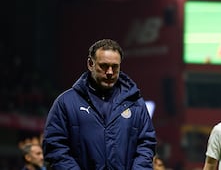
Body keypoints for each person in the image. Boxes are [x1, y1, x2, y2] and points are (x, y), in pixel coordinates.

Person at [42, 39, 157, 169]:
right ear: (90, 64)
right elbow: (55, 147)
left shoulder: (135, 104)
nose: (109, 72)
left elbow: (146, 145)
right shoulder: (66, 103)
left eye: (115, 67)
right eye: (104, 66)